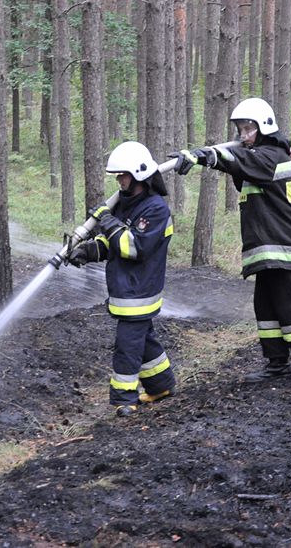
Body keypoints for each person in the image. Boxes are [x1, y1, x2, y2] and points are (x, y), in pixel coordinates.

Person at [170, 97, 291, 385]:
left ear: (264, 128)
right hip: (266, 249)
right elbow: (241, 167)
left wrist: (207, 157)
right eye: (239, 129)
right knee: (265, 308)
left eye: (248, 128)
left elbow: (243, 162)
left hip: (283, 247)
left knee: (290, 308)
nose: (242, 135)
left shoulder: (272, 156)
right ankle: (276, 364)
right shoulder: (259, 157)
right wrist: (212, 157)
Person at [68, 141, 176, 417]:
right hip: (126, 290)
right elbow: (111, 243)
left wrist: (106, 219)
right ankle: (161, 384)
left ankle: (124, 399)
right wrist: (87, 251)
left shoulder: (155, 209)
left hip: (139, 291)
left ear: (139, 174)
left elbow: (133, 247)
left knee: (127, 347)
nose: (119, 180)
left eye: (123, 175)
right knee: (143, 339)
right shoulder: (125, 206)